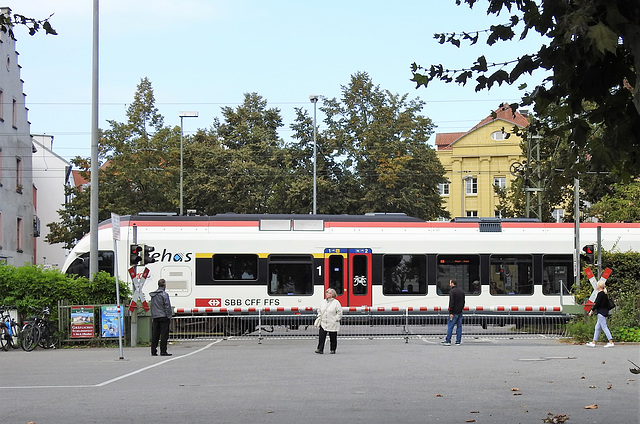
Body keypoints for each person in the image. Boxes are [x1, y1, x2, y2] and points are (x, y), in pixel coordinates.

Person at [586, 281, 614, 348]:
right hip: (604, 312)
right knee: (597, 327)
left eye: (597, 285)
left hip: (601, 312)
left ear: (599, 286)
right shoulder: (604, 294)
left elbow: (597, 304)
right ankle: (593, 342)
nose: (596, 286)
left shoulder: (600, 294)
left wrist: (591, 311)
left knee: (604, 327)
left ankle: (611, 342)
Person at [315, 288, 342, 354]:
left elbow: (339, 312)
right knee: (321, 336)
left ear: (333, 294)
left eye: (329, 293)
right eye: (327, 292)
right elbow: (319, 310)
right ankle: (320, 349)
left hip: (332, 322)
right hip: (323, 322)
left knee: (333, 337)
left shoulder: (336, 303)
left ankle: (333, 349)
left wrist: (336, 319)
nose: (327, 294)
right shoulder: (323, 302)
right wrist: (319, 316)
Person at [150, 279, 173, 356]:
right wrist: (169, 316)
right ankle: (163, 351)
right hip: (163, 316)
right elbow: (167, 306)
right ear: (164, 285)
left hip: (155, 317)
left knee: (155, 334)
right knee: (164, 334)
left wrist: (153, 316)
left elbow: (152, 306)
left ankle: (153, 351)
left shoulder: (153, 295)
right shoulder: (164, 294)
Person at [441, 278, 465, 346]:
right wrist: (460, 309)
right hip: (460, 312)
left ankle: (448, 340)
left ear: (452, 283)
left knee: (450, 327)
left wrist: (451, 312)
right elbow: (463, 302)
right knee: (459, 327)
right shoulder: (461, 291)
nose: (449, 284)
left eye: (450, 283)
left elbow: (451, 303)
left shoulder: (452, 291)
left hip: (454, 313)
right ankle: (458, 341)